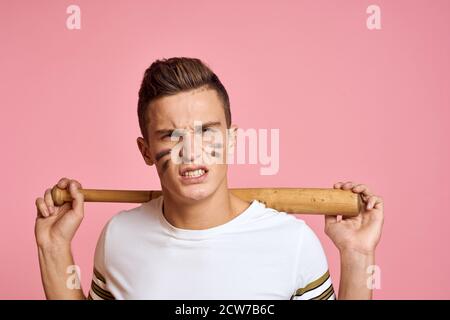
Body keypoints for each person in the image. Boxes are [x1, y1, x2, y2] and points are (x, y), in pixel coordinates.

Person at [34, 57, 384, 300]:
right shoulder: (119, 237)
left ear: (232, 139)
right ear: (145, 150)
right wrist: (53, 247)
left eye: (207, 132)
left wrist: (356, 254)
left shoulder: (291, 242)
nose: (191, 151)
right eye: (170, 135)